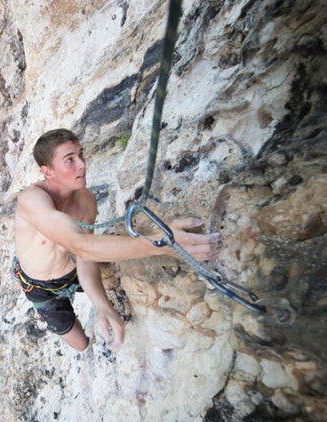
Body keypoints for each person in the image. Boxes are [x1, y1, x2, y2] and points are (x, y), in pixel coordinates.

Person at [13, 128, 221, 352]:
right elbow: (78, 244)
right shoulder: (31, 200)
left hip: (72, 272)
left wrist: (104, 307)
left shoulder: (85, 200)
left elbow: (84, 257)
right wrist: (161, 243)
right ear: (47, 171)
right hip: (39, 286)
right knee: (81, 345)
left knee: (118, 277)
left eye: (81, 155)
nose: (82, 164)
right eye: (69, 160)